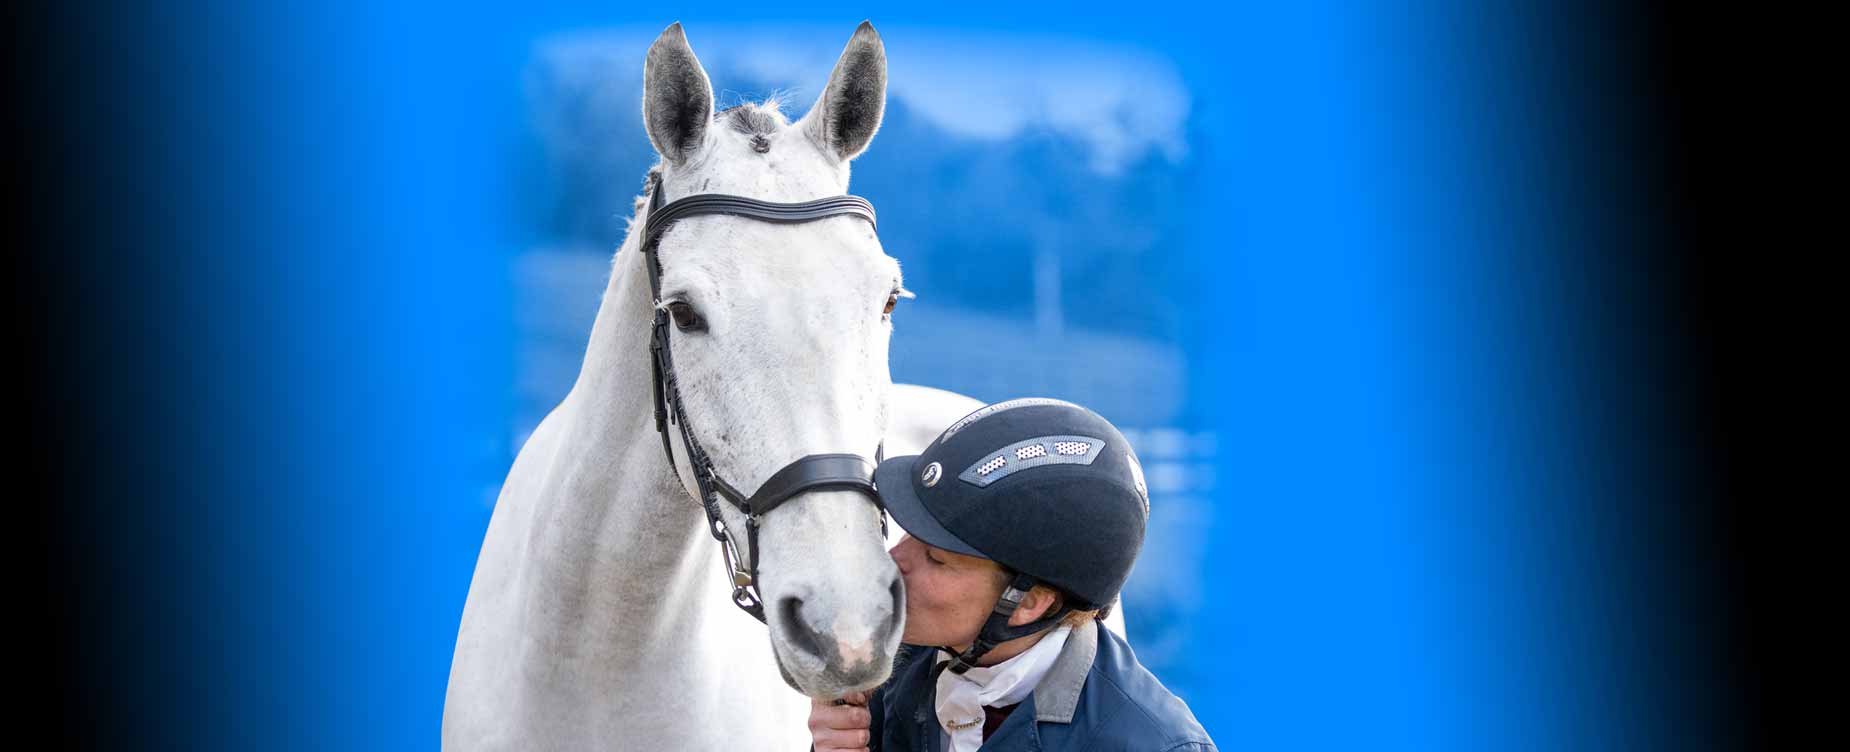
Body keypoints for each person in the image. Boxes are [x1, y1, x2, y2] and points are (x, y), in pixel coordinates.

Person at [810, 398, 1217, 751]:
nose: (893, 560)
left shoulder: (1153, 745)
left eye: (936, 558)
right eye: (908, 534)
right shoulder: (895, 668)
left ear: (1029, 601)